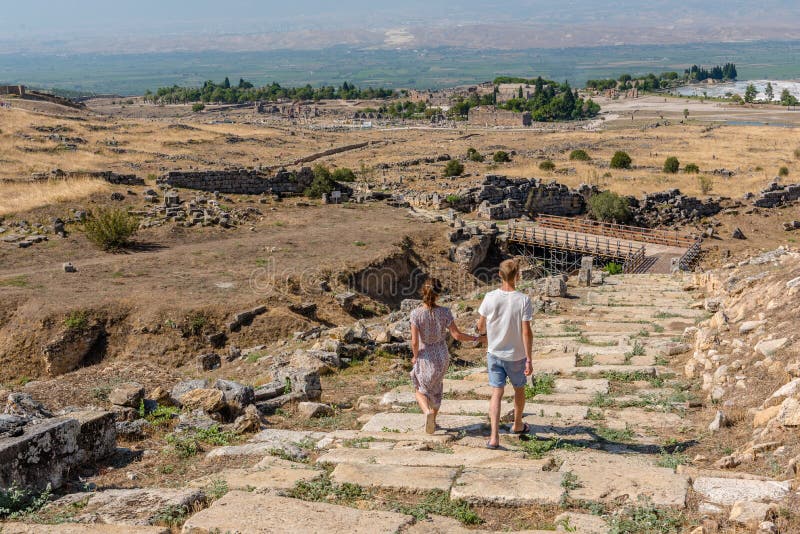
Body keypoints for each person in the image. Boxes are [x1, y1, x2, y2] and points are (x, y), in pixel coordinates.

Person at [410, 278, 483, 434]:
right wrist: (476, 338)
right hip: (442, 356)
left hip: (426, 355)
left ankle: (427, 412)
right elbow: (456, 335)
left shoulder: (416, 314)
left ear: (423, 292)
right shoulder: (445, 312)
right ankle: (433, 422)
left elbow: (415, 342)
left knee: (419, 389)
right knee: (436, 388)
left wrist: (415, 356)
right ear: (438, 295)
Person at [476, 259, 534, 449]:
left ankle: (494, 437)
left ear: (499, 275)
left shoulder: (490, 297)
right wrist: (529, 359)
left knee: (496, 393)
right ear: (518, 276)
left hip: (494, 353)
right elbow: (526, 331)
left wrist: (484, 334)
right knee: (519, 389)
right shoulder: (523, 300)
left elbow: (480, 325)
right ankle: (517, 424)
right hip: (516, 355)